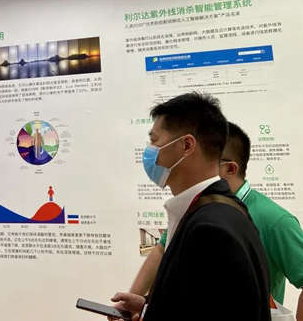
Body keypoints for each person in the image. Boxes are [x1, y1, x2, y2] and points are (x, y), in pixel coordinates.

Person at [128, 122, 303, 320]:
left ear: (229, 168)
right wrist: (132, 307)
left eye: (208, 161)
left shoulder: (273, 219)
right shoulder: (194, 206)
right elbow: (161, 250)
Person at [111, 93, 270, 321]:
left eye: (154, 141)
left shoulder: (210, 229)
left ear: (186, 145)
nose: (149, 150)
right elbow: (200, 304)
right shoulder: (218, 210)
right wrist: (149, 309)